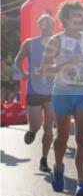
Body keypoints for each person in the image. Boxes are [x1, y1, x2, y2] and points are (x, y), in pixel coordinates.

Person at [43, 1, 83, 196]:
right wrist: (66, 63)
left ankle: (81, 184)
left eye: (81, 15)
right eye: (75, 15)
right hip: (63, 93)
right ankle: (58, 167)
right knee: (62, 138)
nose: (79, 18)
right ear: (65, 19)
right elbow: (44, 69)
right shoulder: (56, 41)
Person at [12, 13, 56, 172]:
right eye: (43, 24)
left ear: (53, 26)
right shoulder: (30, 43)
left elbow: (63, 63)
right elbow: (18, 59)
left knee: (49, 127)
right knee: (36, 124)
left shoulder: (58, 43)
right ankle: (32, 131)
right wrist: (23, 73)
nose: (46, 27)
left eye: (48, 24)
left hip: (52, 89)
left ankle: (44, 160)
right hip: (34, 89)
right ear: (39, 26)